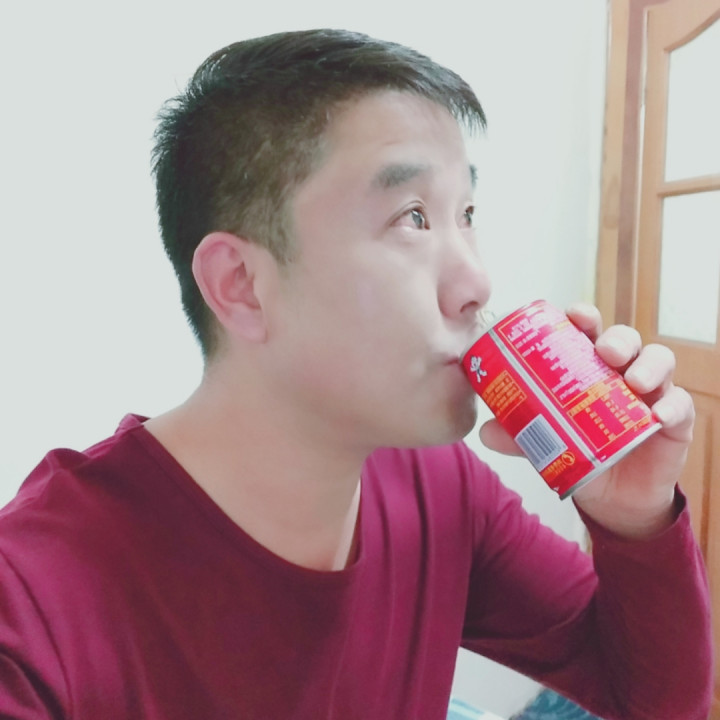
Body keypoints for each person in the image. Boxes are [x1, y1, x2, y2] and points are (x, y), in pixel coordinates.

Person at [0, 28, 712, 720]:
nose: (476, 282)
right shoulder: (33, 599)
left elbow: (652, 699)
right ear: (242, 284)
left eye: (466, 212)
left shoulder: (440, 487)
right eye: (413, 217)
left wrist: (635, 519)